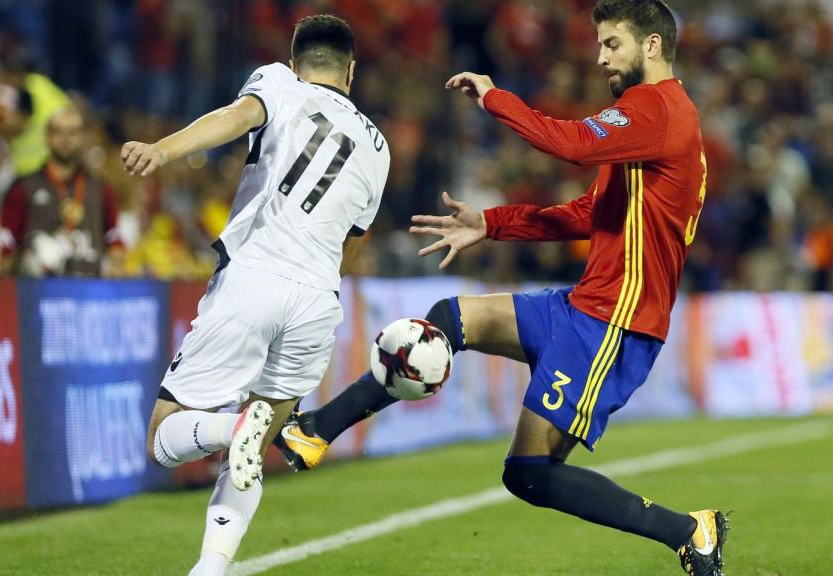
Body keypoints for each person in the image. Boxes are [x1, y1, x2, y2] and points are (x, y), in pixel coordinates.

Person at [277, 2, 726, 575]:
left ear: (653, 45)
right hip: (584, 306)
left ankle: (689, 531)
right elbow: (591, 212)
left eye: (612, 44)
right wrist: (490, 224)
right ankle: (317, 430)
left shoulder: (659, 112)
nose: (600, 56)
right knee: (451, 318)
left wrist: (495, 98)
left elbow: (571, 145)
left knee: (529, 472)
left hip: (617, 323)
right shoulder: (647, 116)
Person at [121, 15, 389, 576]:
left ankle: (229, 428)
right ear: (352, 71)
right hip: (317, 299)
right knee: (252, 451)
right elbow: (353, 242)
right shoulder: (378, 146)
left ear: (295, 61)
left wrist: (163, 151)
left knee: (164, 439)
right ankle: (211, 568)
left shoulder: (278, 83)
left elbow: (234, 117)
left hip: (255, 277)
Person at [0, 106, 124, 277]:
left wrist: (116, 263)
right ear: (47, 137)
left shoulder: (99, 188)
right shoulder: (24, 186)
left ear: (82, 137)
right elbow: (6, 242)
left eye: (72, 133)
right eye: (58, 133)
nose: (66, 140)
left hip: (88, 287)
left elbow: (113, 236)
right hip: (38, 290)